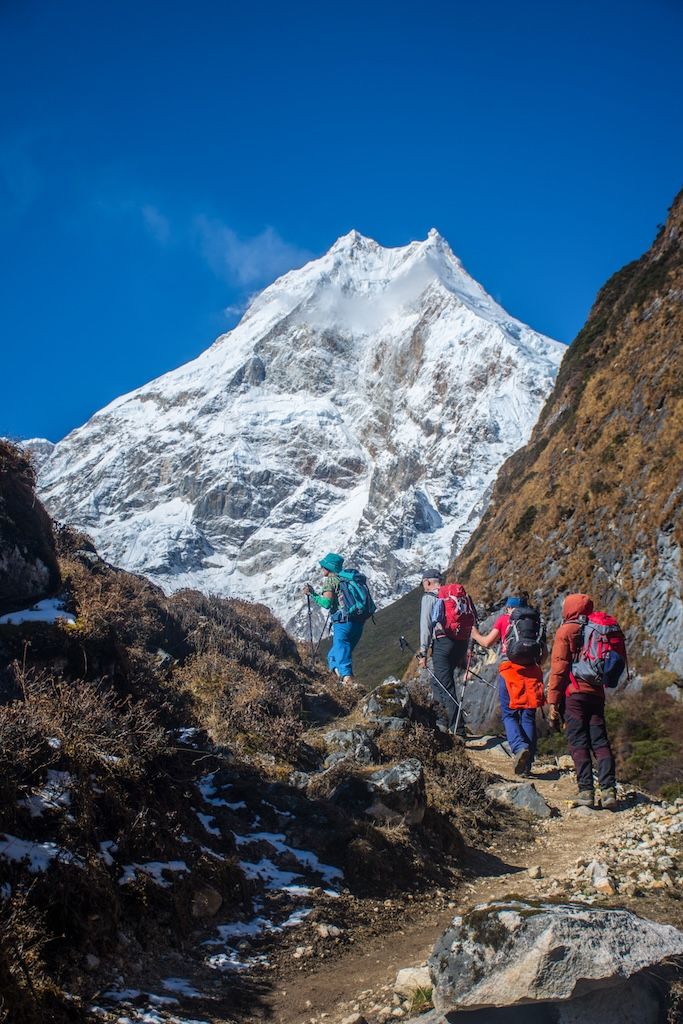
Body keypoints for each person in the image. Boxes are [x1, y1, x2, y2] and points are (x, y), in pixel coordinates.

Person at [547, 593, 617, 809]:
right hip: (596, 694)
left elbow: (558, 669)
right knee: (600, 741)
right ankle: (608, 790)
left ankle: (586, 791)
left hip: (574, 694)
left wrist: (552, 701)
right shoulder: (598, 630)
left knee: (578, 742)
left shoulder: (566, 630)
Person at [471, 594, 545, 776]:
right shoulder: (536, 621)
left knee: (510, 714)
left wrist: (473, 633)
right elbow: (543, 654)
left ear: (509, 608)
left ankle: (519, 748)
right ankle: (527, 766)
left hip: (509, 671)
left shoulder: (505, 620)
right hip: (532, 672)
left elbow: (487, 642)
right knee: (527, 716)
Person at [416, 568, 468, 738]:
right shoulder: (452, 596)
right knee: (438, 680)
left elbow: (426, 627)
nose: (423, 586)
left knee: (446, 685)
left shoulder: (429, 597)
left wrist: (422, 652)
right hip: (460, 643)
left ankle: (458, 729)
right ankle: (442, 722)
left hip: (442, 643)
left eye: (423, 583)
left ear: (428, 582)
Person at [303, 552, 362, 684]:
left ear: (329, 568)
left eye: (323, 566)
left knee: (341, 651)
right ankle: (340, 681)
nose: (321, 568)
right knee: (333, 655)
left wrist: (312, 594)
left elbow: (326, 603)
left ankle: (348, 681)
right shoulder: (346, 579)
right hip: (358, 622)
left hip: (343, 623)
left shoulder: (331, 580)